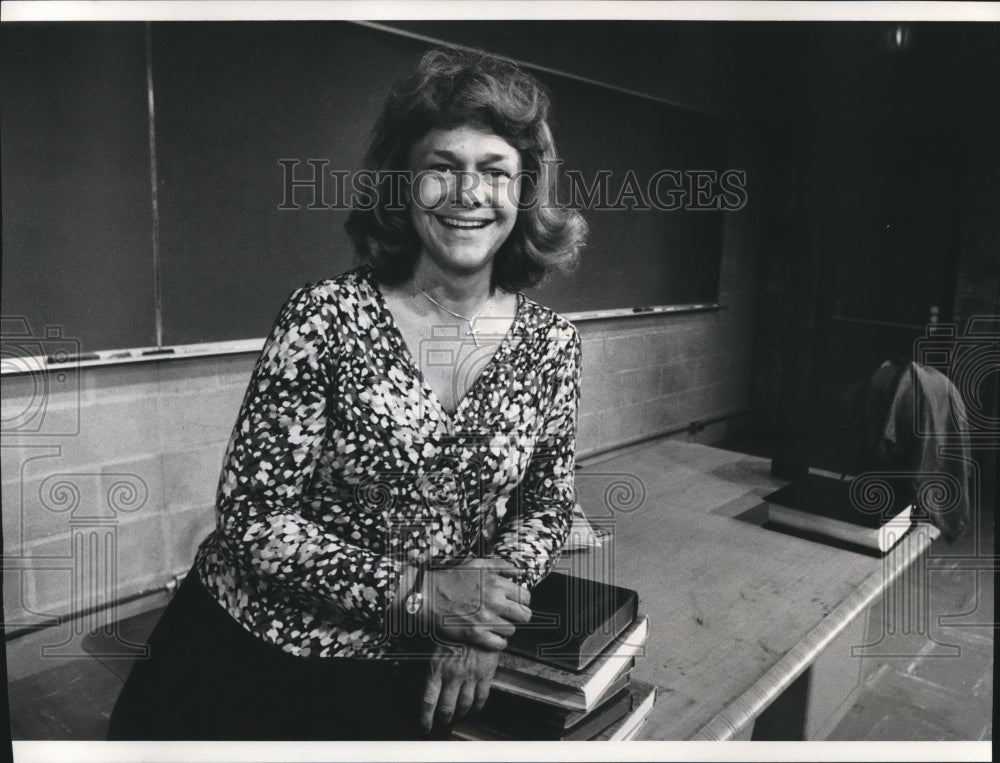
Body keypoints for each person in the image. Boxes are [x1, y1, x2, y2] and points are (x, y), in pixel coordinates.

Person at [108, 46, 587, 740]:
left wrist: (487, 613)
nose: (469, 193)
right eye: (442, 167)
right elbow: (254, 518)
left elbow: (546, 503)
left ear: (525, 190)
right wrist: (423, 597)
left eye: (494, 171)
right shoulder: (324, 319)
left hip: (405, 675)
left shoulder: (552, 345)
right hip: (250, 662)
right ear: (404, 184)